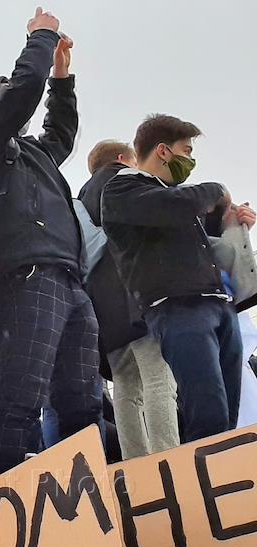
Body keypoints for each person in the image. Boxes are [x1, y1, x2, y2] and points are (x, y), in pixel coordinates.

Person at [0, 7, 102, 476]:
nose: (19, 110)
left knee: (84, 400)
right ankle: (8, 494)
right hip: (26, 277)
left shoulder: (31, 152)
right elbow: (21, 93)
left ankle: (86, 496)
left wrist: (62, 79)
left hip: (71, 280)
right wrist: (41, 38)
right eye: (3, 94)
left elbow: (61, 132)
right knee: (21, 396)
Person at [102, 114, 256, 443]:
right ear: (163, 151)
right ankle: (199, 474)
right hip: (178, 308)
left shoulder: (172, 199)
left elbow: (199, 242)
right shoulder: (122, 189)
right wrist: (217, 190)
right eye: (186, 151)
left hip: (218, 304)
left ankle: (220, 470)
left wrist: (230, 225)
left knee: (227, 415)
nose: (190, 160)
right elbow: (172, 206)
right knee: (207, 412)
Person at [78, 140, 178, 459]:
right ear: (123, 159)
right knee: (158, 378)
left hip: (104, 305)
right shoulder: (128, 180)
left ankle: (136, 463)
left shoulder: (80, 199)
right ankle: (167, 457)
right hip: (138, 291)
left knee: (125, 387)